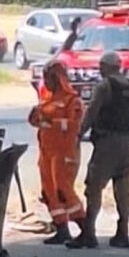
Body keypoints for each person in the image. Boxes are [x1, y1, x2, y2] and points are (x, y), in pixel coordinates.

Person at [67, 52, 129, 249]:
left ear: (107, 67)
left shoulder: (105, 86)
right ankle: (122, 231)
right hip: (127, 142)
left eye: (101, 66)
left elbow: (92, 111)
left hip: (108, 143)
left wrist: (80, 132)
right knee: (122, 188)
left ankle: (89, 233)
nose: (99, 69)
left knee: (94, 187)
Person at [29, 61, 86, 244]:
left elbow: (75, 126)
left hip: (65, 153)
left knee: (64, 190)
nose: (47, 82)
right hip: (47, 152)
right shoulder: (48, 101)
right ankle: (62, 229)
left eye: (50, 78)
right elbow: (39, 121)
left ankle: (86, 230)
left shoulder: (73, 101)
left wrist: (51, 123)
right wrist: (35, 118)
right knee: (49, 191)